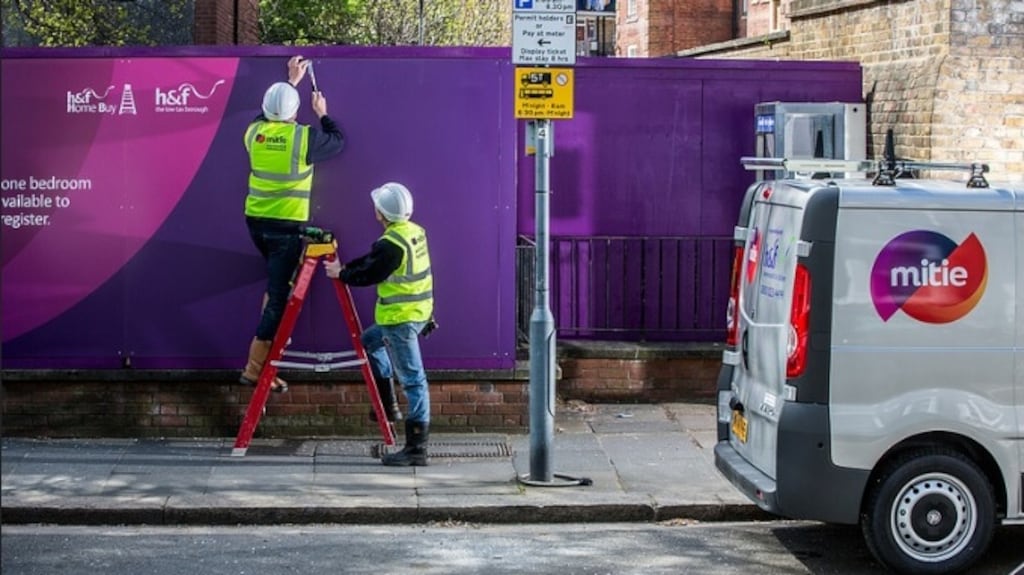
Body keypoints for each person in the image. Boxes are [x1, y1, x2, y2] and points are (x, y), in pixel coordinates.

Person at [240, 55, 345, 393]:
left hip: (256, 222)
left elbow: (267, 114)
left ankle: (263, 361)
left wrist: (291, 81)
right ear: (295, 113)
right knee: (279, 294)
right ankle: (255, 368)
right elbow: (338, 141)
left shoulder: (253, 133)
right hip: (285, 228)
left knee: (276, 288)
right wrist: (323, 113)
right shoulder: (304, 139)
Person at [323, 182, 435, 467]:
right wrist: (347, 268)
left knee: (414, 380)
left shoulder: (390, 244)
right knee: (369, 343)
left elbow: (370, 271)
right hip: (418, 312)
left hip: (400, 321)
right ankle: (388, 405)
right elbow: (374, 259)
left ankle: (416, 448)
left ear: (380, 213)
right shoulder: (413, 233)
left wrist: (342, 273)